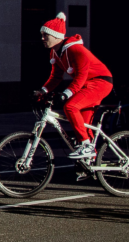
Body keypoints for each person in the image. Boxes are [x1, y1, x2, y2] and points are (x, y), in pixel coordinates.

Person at [34, 12, 113, 160]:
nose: (42, 38)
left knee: (70, 106)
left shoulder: (76, 50)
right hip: (87, 85)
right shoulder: (54, 53)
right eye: (42, 35)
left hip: (100, 82)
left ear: (57, 35)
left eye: (46, 35)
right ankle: (89, 162)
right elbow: (56, 77)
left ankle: (87, 146)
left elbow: (81, 76)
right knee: (81, 123)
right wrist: (42, 91)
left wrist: (66, 94)